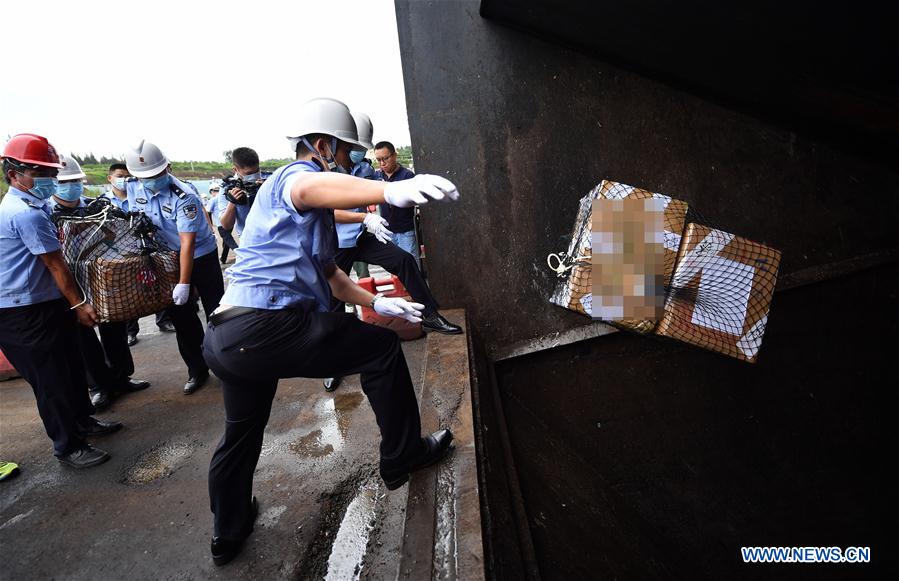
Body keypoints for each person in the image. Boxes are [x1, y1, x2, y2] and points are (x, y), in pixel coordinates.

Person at [203, 97, 458, 566]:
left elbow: (332, 278)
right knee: (380, 349)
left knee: (241, 431)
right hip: (266, 325)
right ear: (322, 146)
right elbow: (312, 186)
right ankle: (402, 455)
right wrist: (386, 193)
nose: (358, 164)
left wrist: (377, 300)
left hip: (228, 338)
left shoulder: (311, 217)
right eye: (350, 155)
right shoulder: (292, 179)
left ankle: (228, 530)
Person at [0, 134, 122, 469]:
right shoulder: (24, 213)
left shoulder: (34, 206)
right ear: (15, 173)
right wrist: (81, 304)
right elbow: (56, 264)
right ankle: (68, 447)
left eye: (49, 172)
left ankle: (83, 422)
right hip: (23, 312)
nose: (50, 180)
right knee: (51, 380)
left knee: (71, 368)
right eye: (41, 173)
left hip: (45, 304)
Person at [324, 112, 462, 392]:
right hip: (335, 243)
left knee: (404, 260)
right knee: (332, 299)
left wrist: (404, 189)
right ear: (332, 145)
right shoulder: (321, 173)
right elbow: (328, 211)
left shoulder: (362, 169)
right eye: (352, 150)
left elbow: (377, 191)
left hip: (361, 237)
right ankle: (332, 362)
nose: (357, 155)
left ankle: (431, 316)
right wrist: (364, 217)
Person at [51, 155, 151, 409]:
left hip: (100, 276)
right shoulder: (47, 213)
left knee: (114, 329)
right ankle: (99, 385)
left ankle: (120, 377)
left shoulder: (95, 206)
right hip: (69, 282)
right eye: (67, 181)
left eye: (76, 180)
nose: (72, 186)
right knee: (84, 337)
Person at [125, 140, 224, 394]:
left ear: (167, 167)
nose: (150, 181)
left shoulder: (185, 195)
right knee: (182, 316)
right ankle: (197, 369)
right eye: (144, 176)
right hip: (166, 258)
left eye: (156, 175)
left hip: (200, 257)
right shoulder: (134, 188)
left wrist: (184, 282)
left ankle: (225, 364)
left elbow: (187, 244)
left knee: (217, 313)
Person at [103, 162, 176, 337]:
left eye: (128, 176)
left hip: (148, 247)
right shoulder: (104, 202)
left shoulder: (140, 195)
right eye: (120, 176)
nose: (124, 180)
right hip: (122, 254)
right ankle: (131, 330)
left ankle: (164, 319)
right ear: (110, 178)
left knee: (158, 283)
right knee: (127, 288)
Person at [374, 141, 420, 264]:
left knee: (411, 263)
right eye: (378, 160)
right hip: (387, 230)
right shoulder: (377, 177)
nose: (382, 163)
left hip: (406, 230)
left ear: (394, 156)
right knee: (394, 266)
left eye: (385, 158)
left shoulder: (407, 176)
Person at [218, 147, 265, 241]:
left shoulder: (269, 180)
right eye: (249, 173)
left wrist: (266, 189)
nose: (254, 175)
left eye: (257, 171)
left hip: (273, 236)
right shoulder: (228, 188)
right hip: (248, 240)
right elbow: (226, 225)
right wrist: (232, 202)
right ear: (235, 170)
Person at [205, 182, 238, 263]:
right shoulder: (225, 197)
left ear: (212, 191)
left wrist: (211, 226)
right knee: (227, 241)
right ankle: (223, 258)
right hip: (230, 223)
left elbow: (208, 212)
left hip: (220, 224)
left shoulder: (213, 199)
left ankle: (241, 253)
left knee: (229, 241)